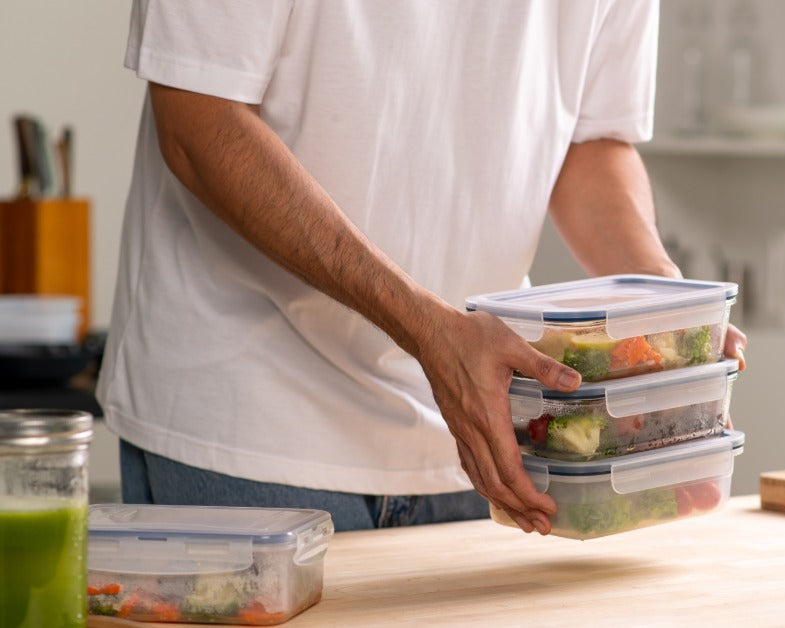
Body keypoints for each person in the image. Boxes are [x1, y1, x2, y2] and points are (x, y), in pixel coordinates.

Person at [98, 0, 748, 534]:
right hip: (252, 420)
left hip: (478, 431)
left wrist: (662, 301)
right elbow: (198, 123)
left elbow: (590, 139)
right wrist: (427, 327)